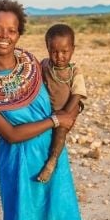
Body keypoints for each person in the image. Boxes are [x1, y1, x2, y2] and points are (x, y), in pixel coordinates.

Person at [0, 0, 86, 220]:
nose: (4, 36)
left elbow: (63, 91)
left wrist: (74, 105)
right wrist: (56, 120)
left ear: (19, 34)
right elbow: (11, 135)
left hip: (51, 154)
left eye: (12, 30)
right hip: (19, 162)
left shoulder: (33, 66)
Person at [36, 24, 87, 183]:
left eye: (64, 52)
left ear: (72, 49)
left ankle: (52, 161)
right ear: (48, 49)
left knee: (60, 133)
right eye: (54, 52)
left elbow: (77, 93)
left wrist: (66, 113)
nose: (59, 56)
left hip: (66, 110)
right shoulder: (45, 65)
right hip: (47, 110)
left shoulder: (74, 71)